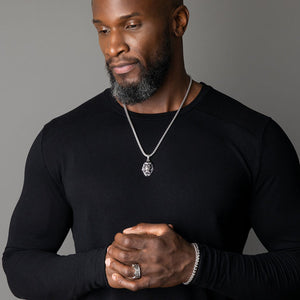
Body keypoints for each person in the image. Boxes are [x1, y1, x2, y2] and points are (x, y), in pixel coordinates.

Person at [2, 0, 300, 299]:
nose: (113, 47)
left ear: (178, 22)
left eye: (131, 25)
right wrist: (105, 266)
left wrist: (194, 265)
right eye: (103, 30)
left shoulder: (254, 137)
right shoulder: (61, 139)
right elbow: (20, 267)